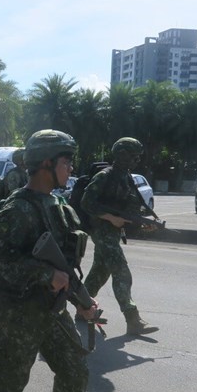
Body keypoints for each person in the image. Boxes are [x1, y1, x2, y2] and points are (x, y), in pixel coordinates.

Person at [0, 129, 113, 392]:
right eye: (66, 162)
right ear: (46, 164)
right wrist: (44, 275)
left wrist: (82, 300)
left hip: (53, 310)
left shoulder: (59, 206)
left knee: (74, 369)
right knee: (12, 376)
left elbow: (65, 265)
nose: (71, 168)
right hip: (20, 312)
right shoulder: (16, 209)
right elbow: (1, 261)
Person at [81, 137, 159, 336]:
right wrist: (110, 217)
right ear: (123, 155)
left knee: (100, 272)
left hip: (113, 233)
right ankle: (133, 319)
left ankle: (82, 308)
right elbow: (86, 202)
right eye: (134, 156)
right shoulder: (104, 176)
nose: (136, 160)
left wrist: (143, 224)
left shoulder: (127, 178)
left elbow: (131, 210)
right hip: (101, 231)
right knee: (121, 272)